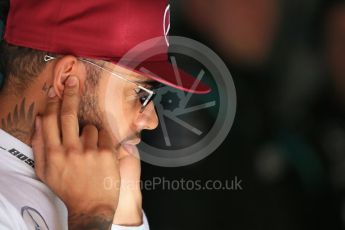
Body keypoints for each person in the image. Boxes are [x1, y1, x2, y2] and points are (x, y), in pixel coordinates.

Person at [0, 0, 211, 229]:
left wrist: (125, 216)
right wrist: (91, 215)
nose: (151, 121)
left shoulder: (96, 187)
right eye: (141, 93)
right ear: (66, 79)